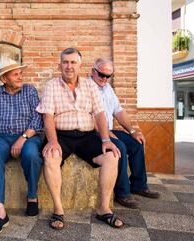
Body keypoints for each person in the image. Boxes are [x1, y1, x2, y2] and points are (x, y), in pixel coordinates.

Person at [36, 48, 123, 229]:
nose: (69, 66)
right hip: (61, 136)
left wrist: (106, 139)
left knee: (112, 156)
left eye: (73, 62)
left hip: (87, 136)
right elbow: (48, 117)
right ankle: (58, 210)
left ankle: (103, 209)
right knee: (50, 158)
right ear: (59, 65)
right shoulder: (52, 85)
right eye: (65, 62)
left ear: (80, 66)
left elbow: (100, 114)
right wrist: (52, 141)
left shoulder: (90, 85)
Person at [0, 59, 43, 236]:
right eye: (15, 74)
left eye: (20, 73)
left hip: (27, 136)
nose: (20, 76)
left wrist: (23, 138)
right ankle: (0, 212)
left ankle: (32, 196)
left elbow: (38, 119)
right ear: (4, 79)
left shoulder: (30, 91)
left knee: (31, 155)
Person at [90, 58, 159, 209]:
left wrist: (132, 131)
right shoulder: (86, 87)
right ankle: (122, 193)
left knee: (136, 143)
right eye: (101, 75)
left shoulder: (108, 88)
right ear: (93, 71)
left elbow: (118, 111)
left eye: (109, 76)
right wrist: (106, 134)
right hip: (93, 132)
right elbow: (88, 116)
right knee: (119, 147)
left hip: (108, 129)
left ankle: (139, 185)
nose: (105, 79)